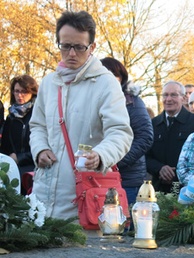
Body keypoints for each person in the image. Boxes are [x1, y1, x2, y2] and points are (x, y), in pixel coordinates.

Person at [29, 10, 133, 220]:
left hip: (86, 199)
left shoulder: (106, 83)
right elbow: (37, 126)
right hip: (43, 197)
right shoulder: (49, 82)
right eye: (65, 46)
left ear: (92, 47)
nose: (72, 54)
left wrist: (101, 155)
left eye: (79, 47)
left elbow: (121, 133)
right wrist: (40, 149)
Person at [100, 57, 153, 205]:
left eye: (114, 75)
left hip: (128, 179)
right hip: (99, 177)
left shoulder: (132, 102)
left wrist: (115, 161)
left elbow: (145, 137)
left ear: (121, 79)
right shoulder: (94, 101)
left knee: (125, 224)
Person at [146, 80, 194, 193]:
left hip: (187, 190)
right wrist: (159, 168)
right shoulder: (153, 124)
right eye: (165, 95)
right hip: (159, 189)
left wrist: (178, 173)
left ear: (183, 98)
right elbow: (145, 156)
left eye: (173, 95)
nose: (168, 99)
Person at [1, 75, 39, 190]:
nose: (20, 95)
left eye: (24, 92)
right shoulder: (11, 117)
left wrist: (20, 157)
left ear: (32, 93)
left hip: (32, 169)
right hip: (12, 168)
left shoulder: (38, 115)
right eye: (17, 91)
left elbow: (43, 145)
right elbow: (5, 146)